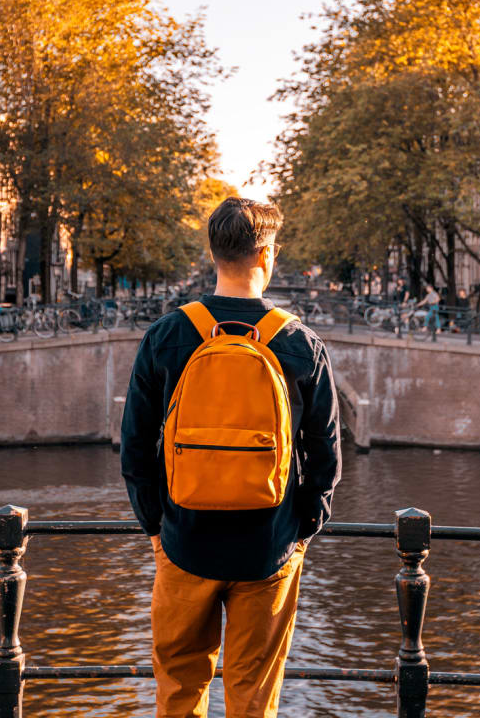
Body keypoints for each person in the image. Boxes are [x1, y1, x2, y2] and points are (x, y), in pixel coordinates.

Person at [121, 197, 341, 718]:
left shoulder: (167, 336)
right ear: (268, 255)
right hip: (268, 547)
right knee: (254, 695)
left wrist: (157, 527)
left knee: (178, 688)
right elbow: (326, 455)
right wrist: (301, 530)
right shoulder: (300, 344)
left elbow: (135, 447)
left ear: (213, 253)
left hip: (184, 542)